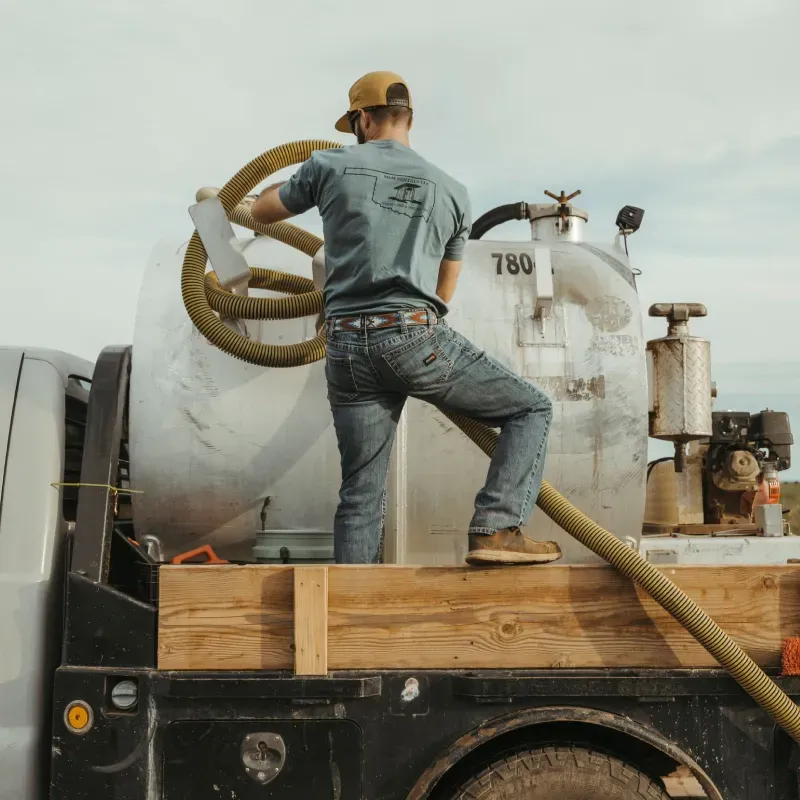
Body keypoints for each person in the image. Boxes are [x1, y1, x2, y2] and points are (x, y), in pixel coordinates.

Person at [251, 71, 560, 567]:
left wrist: (272, 189)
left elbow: (265, 211)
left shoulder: (329, 165)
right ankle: (496, 528)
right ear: (407, 118)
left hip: (346, 346)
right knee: (531, 410)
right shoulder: (454, 191)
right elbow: (444, 291)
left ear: (364, 118)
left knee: (360, 494)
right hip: (413, 336)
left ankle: (349, 612)